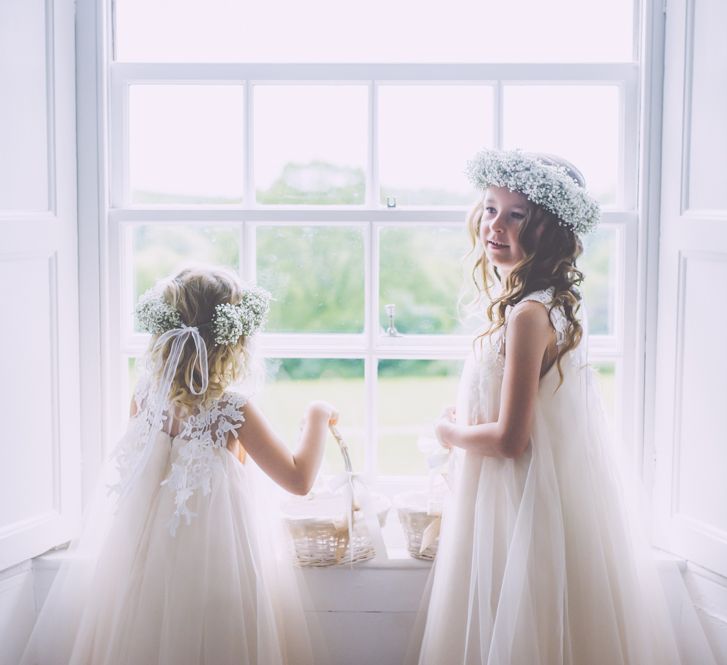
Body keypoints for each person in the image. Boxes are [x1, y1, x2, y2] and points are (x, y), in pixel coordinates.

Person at [408, 150, 717, 664]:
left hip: (518, 501)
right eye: (489, 209)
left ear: (547, 228)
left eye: (517, 215)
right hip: (524, 497)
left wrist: (448, 434)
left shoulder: (529, 314)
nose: (496, 226)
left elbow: (511, 440)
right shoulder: (541, 301)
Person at [22, 266, 336, 665]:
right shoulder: (231, 408)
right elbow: (297, 479)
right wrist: (317, 414)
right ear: (232, 338)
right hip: (217, 568)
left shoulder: (145, 397)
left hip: (147, 565)